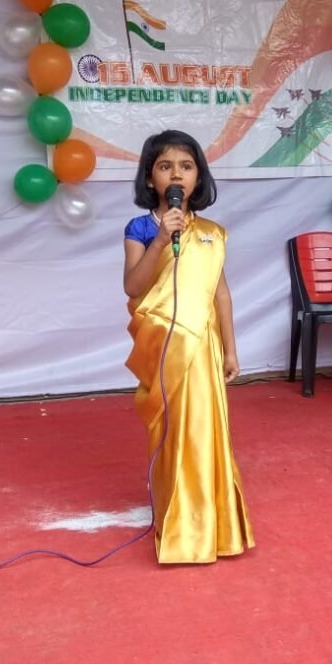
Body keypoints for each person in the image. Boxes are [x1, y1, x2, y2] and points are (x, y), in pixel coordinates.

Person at [123, 130, 255, 564]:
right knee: (172, 430)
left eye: (186, 166)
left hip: (203, 347)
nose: (176, 174)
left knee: (205, 430)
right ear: (150, 178)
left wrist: (231, 349)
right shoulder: (141, 228)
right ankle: (176, 517)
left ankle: (212, 523)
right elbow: (133, 286)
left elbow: (221, 294)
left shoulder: (212, 234)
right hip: (164, 347)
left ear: (198, 176)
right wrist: (162, 240)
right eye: (165, 167)